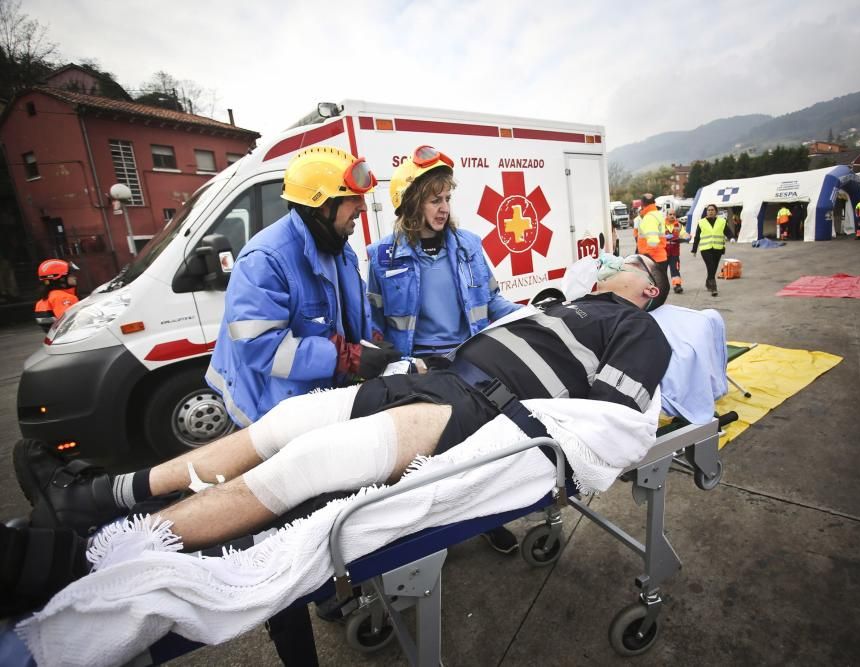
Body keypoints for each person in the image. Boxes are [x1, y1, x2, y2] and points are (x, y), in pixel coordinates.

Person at [3, 254, 672, 617]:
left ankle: (78, 559)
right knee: (281, 425)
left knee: (305, 465)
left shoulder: (639, 328)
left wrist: (527, 450)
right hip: (436, 377)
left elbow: (608, 414)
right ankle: (97, 496)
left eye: (631, 262)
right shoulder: (559, 306)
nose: (617, 259)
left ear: (643, 290)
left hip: (478, 409)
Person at [366, 145, 521, 554]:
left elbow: (494, 301)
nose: (444, 207)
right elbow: (375, 326)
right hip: (420, 368)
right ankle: (433, 535)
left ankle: (492, 518)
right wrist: (394, 365)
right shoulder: (381, 257)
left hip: (473, 359)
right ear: (411, 203)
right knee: (429, 456)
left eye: (447, 198)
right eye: (435, 199)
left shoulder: (470, 244)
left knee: (487, 448)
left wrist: (530, 314)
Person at [206, 146, 401, 428]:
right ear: (321, 204)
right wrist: (348, 358)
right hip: (269, 413)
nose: (362, 206)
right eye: (351, 198)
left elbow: (351, 312)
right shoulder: (265, 259)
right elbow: (261, 348)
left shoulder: (339, 251)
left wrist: (371, 339)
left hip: (317, 403)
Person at [690, 204, 734, 297]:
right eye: (708, 210)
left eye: (712, 210)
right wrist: (694, 249)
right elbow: (697, 236)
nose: (710, 211)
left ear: (716, 212)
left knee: (713, 268)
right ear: (706, 212)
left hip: (718, 248)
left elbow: (727, 231)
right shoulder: (701, 222)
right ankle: (713, 288)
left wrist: (731, 238)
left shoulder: (722, 221)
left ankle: (708, 282)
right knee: (710, 266)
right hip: (705, 249)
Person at [33, 259, 79, 332]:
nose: (75, 277)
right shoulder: (63, 298)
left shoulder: (46, 298)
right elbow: (73, 324)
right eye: (71, 275)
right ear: (61, 279)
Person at [636, 193, 667, 272]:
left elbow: (653, 241)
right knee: (661, 283)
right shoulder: (657, 215)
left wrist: (646, 257)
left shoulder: (649, 218)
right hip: (660, 257)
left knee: (654, 284)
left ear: (642, 204)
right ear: (654, 203)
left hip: (652, 260)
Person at [663, 211, 687, 294]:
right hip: (663, 252)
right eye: (670, 214)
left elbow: (684, 234)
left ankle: (677, 285)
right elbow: (656, 236)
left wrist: (687, 236)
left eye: (674, 215)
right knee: (662, 271)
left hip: (674, 252)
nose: (672, 216)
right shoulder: (661, 225)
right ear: (667, 215)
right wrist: (664, 237)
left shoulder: (679, 225)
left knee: (675, 270)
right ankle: (662, 287)